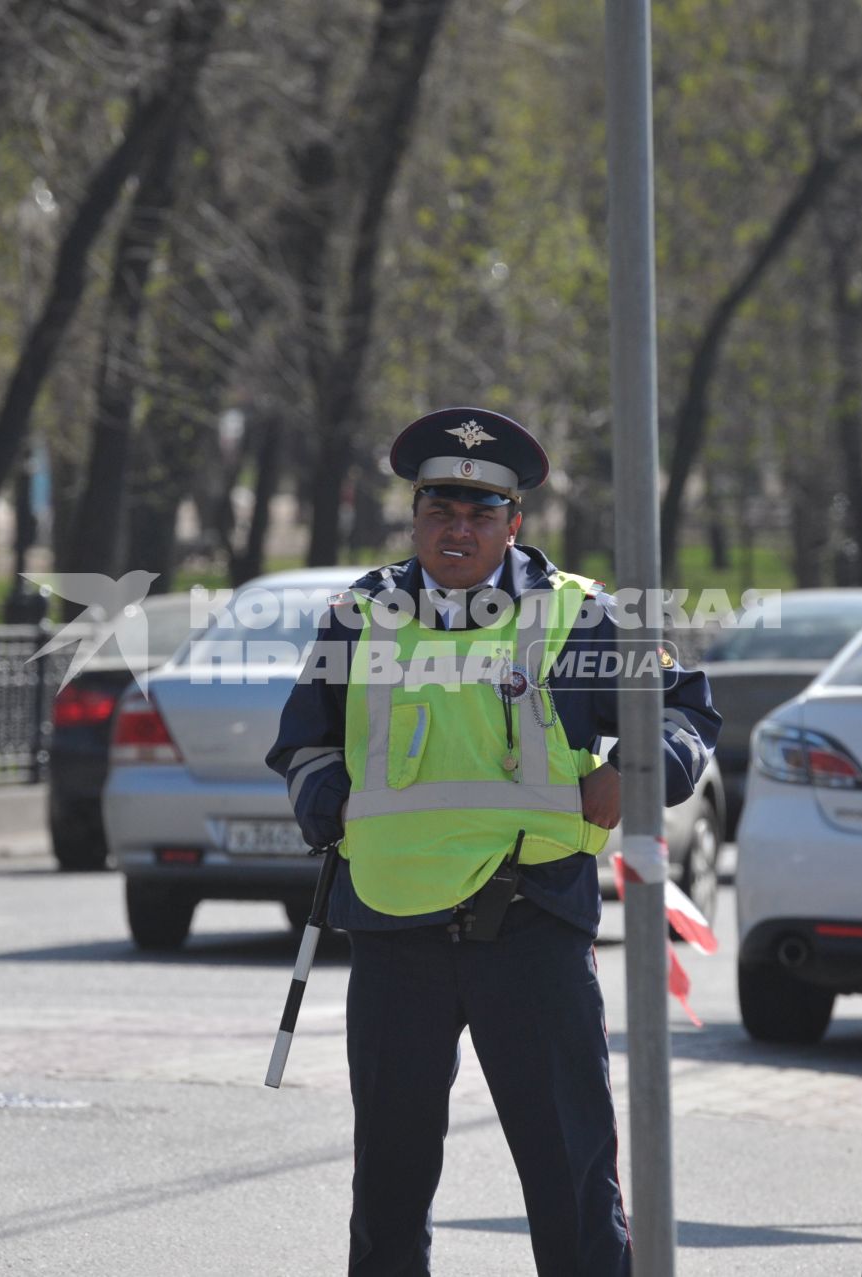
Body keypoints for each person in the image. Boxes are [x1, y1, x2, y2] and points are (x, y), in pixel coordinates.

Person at [267, 407, 722, 1276]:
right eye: (441, 510)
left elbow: (688, 709)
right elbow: (304, 740)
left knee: (572, 1180)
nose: (458, 529)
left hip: (531, 927)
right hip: (395, 935)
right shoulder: (359, 617)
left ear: (515, 523)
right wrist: (325, 797)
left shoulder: (575, 617)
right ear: (414, 517)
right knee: (389, 1190)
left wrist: (632, 771)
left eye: (481, 514)